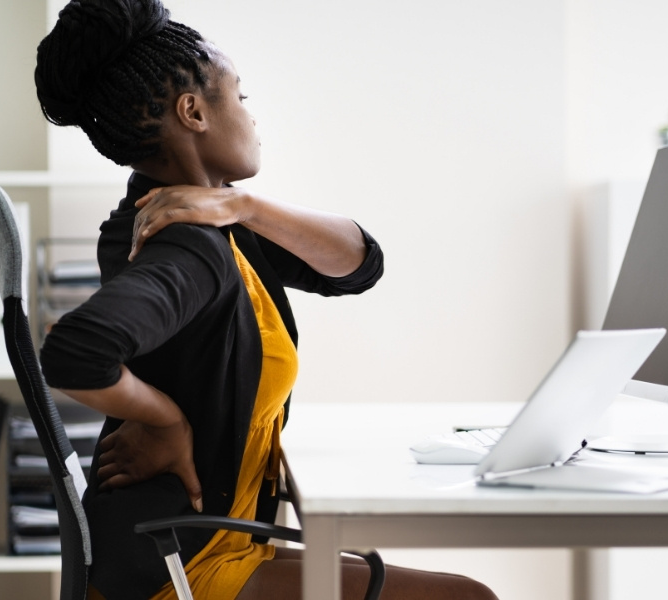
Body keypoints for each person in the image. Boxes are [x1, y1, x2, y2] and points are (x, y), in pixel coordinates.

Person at [34, 1, 498, 599]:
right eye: (240, 97)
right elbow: (76, 351)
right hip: (184, 564)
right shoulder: (188, 245)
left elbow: (357, 266)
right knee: (469, 598)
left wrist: (246, 205)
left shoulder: (203, 221)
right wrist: (164, 417)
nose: (252, 118)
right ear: (194, 111)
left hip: (198, 540)